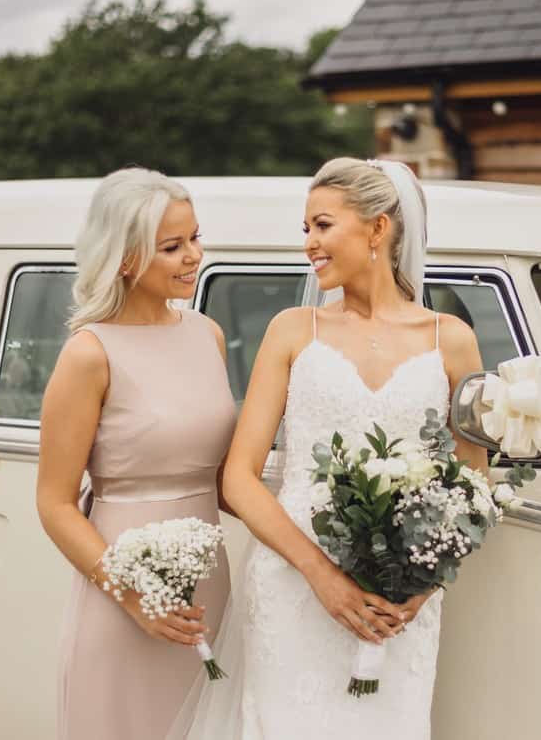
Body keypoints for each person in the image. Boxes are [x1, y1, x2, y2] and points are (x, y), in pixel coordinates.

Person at [206, 157, 486, 739]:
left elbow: (472, 487)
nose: (309, 243)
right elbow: (237, 477)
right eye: (306, 229)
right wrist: (320, 575)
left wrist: (419, 588)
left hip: (400, 607)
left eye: (322, 226)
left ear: (378, 228)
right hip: (293, 587)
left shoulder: (452, 341)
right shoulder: (292, 330)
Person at [37, 167, 235, 740]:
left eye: (195, 237)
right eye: (172, 246)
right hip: (120, 594)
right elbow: (54, 505)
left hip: (208, 586)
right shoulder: (88, 354)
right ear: (125, 258)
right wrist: (132, 597)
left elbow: (225, 480)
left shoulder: (207, 334)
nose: (193, 256)